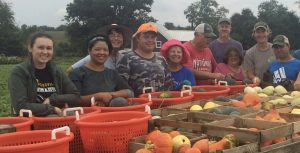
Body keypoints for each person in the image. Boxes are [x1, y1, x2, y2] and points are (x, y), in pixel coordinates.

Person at [8, 32, 80, 117]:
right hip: (32, 119)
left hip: (58, 116)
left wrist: (53, 99)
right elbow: (20, 106)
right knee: (53, 118)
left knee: (76, 116)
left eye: (49, 48)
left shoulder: (57, 71)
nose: (45, 52)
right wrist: (51, 109)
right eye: (41, 47)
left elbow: (76, 96)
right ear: (30, 48)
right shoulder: (19, 71)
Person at [69, 35, 134, 106]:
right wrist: (98, 96)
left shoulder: (112, 73)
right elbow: (74, 99)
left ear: (108, 53)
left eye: (105, 50)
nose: (102, 53)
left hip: (110, 113)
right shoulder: (77, 73)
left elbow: (129, 92)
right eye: (97, 49)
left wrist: (111, 95)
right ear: (89, 51)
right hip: (87, 114)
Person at [117, 23, 173, 96]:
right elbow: (121, 87)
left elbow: (168, 86)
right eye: (146, 37)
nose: (150, 40)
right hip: (138, 105)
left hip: (160, 104)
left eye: (153, 37)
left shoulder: (162, 60)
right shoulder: (127, 59)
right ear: (138, 38)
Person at [67, 24, 132, 72]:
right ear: (107, 39)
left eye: (119, 36)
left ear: (123, 40)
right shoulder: (99, 56)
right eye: (112, 36)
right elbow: (71, 69)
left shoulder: (123, 57)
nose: (116, 38)